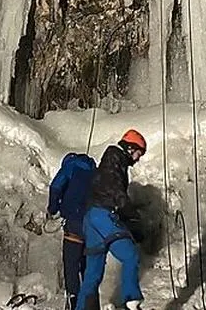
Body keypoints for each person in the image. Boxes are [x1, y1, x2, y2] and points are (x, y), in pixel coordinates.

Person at [75, 130, 147, 310]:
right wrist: (133, 216)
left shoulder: (111, 161)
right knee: (130, 255)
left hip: (91, 218)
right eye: (139, 153)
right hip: (102, 215)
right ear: (131, 148)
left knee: (93, 273)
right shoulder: (115, 159)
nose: (138, 158)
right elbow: (115, 192)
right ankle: (131, 301)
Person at [49, 152, 98, 310]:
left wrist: (53, 208)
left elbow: (56, 186)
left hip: (75, 223)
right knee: (87, 266)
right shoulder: (95, 171)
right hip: (93, 226)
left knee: (71, 264)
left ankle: (73, 302)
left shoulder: (70, 166)